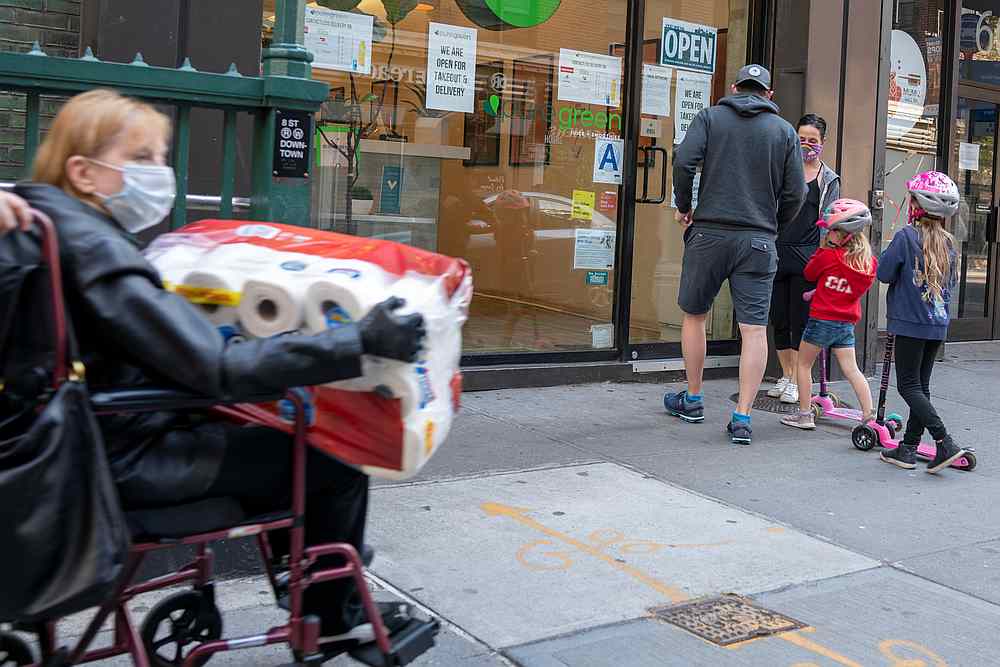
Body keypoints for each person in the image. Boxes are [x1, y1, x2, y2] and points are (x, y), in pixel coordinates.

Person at [2, 89, 424, 654]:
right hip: (129, 460)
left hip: (100, 441)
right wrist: (360, 341)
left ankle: (303, 584)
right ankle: (332, 609)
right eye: (143, 158)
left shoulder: (40, 219)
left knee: (266, 442)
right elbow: (217, 367)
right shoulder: (95, 250)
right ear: (83, 173)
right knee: (329, 455)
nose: (162, 172)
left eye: (161, 156)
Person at [666, 64, 807, 445]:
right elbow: (797, 192)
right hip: (758, 241)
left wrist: (684, 204)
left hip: (710, 232)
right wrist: (771, 223)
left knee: (695, 316)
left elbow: (683, 161)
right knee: (754, 330)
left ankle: (693, 399)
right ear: (769, 94)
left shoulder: (711, 117)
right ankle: (742, 416)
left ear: (733, 88)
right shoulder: (784, 132)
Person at [877, 171, 969, 473]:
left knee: (908, 386)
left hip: (909, 324)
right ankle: (908, 448)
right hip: (935, 326)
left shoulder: (906, 237)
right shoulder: (950, 243)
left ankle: (945, 441)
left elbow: (884, 274)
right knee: (921, 386)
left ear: (917, 205)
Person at [780, 199, 877, 431]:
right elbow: (845, 286)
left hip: (821, 321)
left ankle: (804, 415)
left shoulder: (828, 256)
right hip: (845, 323)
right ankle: (868, 415)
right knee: (852, 369)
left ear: (844, 234)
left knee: (803, 366)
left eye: (831, 229)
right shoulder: (868, 264)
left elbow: (809, 272)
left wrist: (823, 250)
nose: (826, 232)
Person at [768, 114, 841, 405]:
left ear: (823, 143)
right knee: (779, 319)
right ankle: (786, 376)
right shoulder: (783, 170)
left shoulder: (828, 178)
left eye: (813, 140)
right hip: (776, 250)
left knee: (800, 321)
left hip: (808, 255)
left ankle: (800, 381)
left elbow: (832, 219)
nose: (806, 145)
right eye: (801, 139)